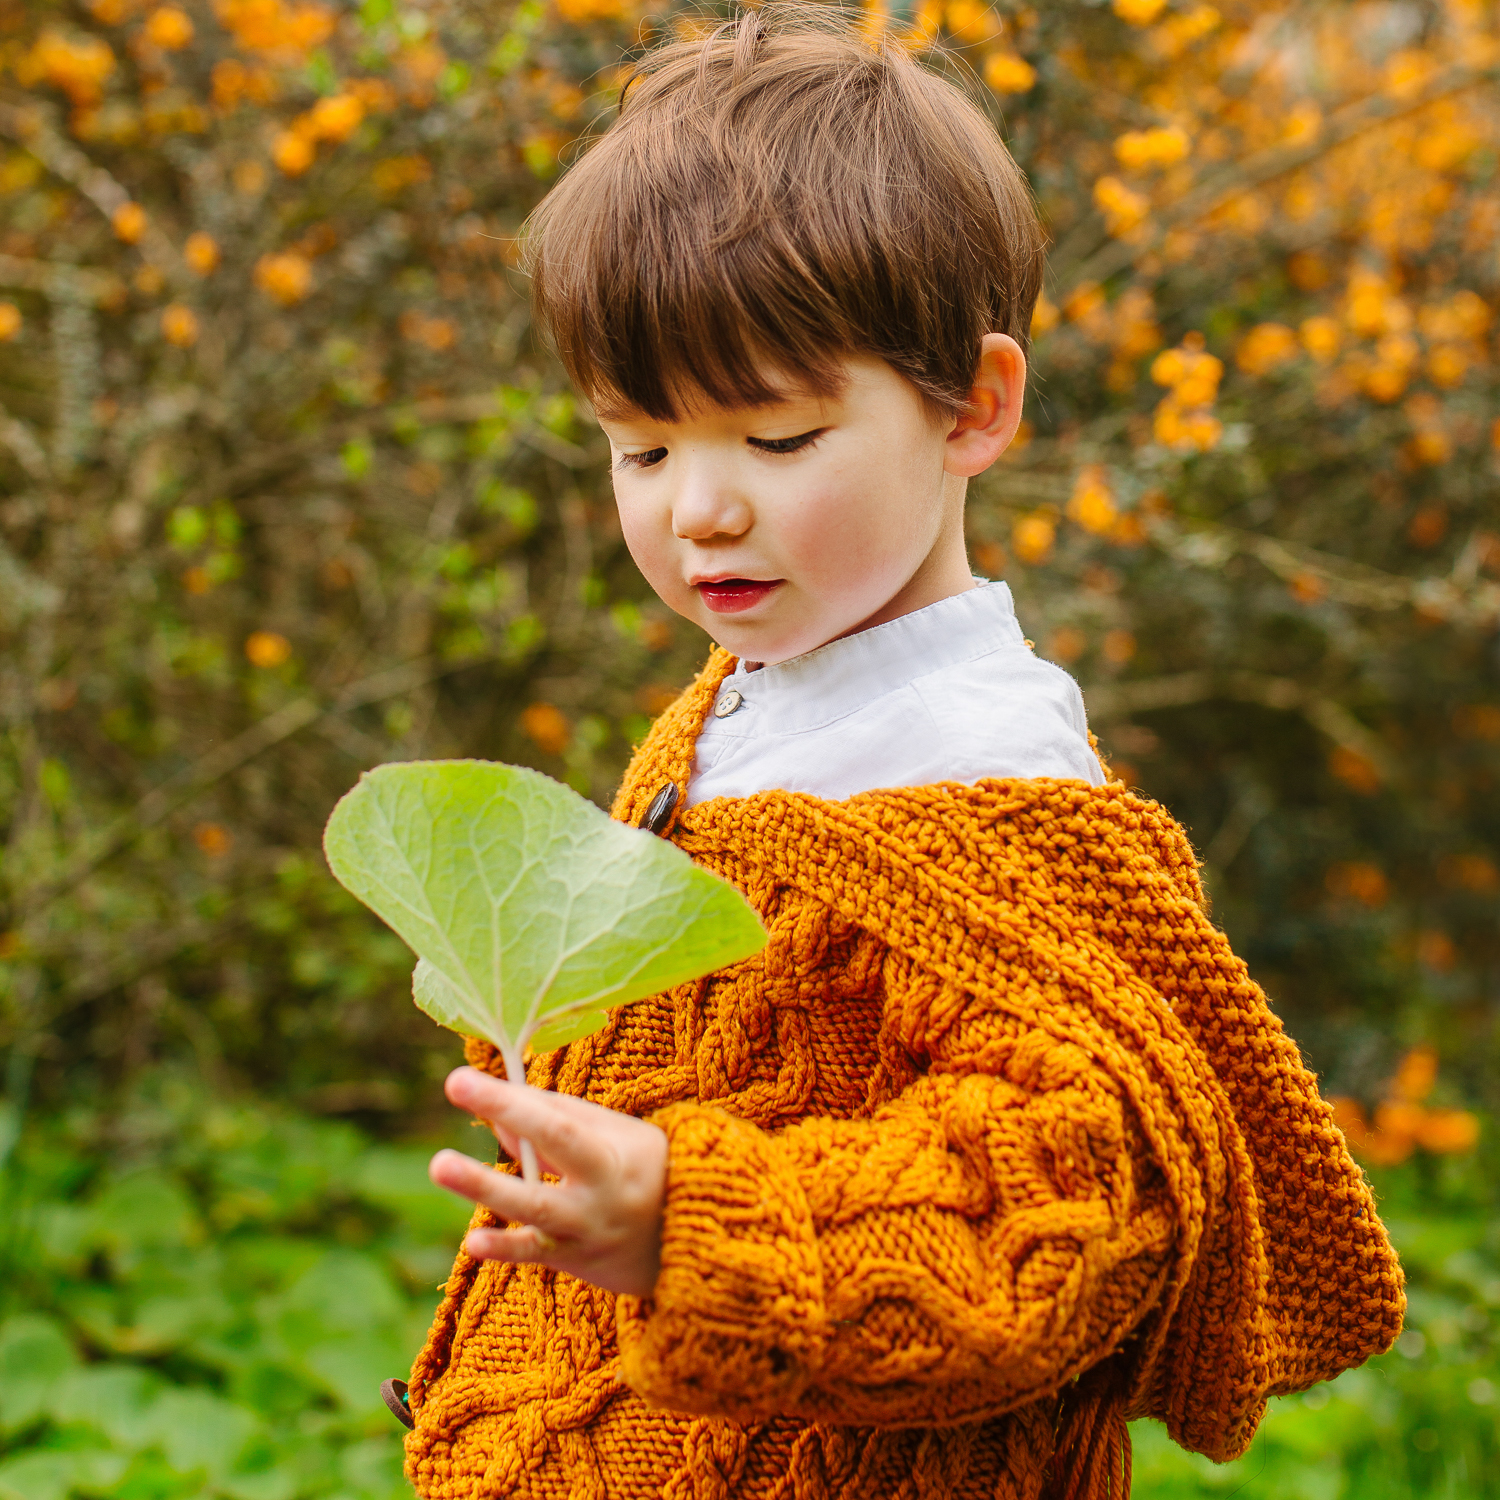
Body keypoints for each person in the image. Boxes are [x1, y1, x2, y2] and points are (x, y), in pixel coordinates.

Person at [399, 9, 1403, 1497]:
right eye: (642, 446)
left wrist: (695, 1222)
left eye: (780, 439)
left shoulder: (991, 797)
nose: (700, 511)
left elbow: (1066, 1213)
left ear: (971, 409)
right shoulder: (737, 704)